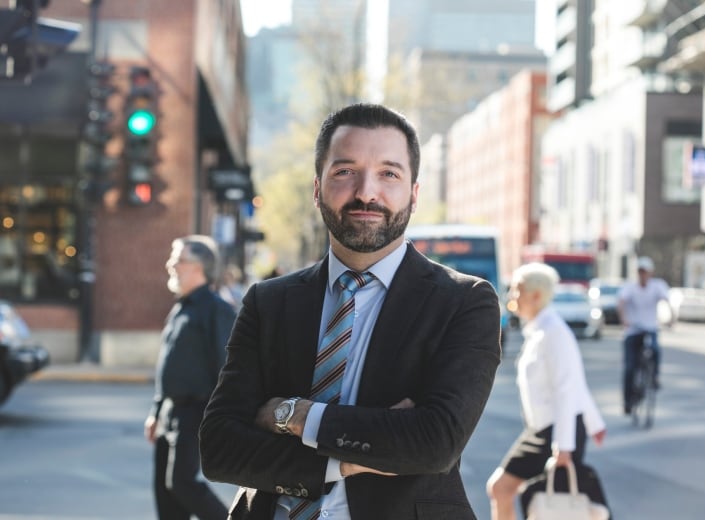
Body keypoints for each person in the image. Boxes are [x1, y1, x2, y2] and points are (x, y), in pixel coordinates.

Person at [199, 103, 502, 520]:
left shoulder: (465, 302)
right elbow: (219, 449)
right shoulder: (267, 301)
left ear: (414, 194)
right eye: (345, 171)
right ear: (317, 189)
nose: (366, 192)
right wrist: (344, 460)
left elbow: (435, 443)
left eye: (389, 174)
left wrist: (292, 415)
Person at [486, 263, 606, 520]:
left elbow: (568, 387)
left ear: (536, 295)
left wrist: (564, 447)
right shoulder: (540, 329)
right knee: (505, 491)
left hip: (555, 432)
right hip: (543, 430)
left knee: (503, 490)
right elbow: (574, 382)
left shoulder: (554, 332)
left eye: (518, 290)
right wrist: (595, 423)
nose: (512, 297)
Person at [144, 234, 236, 520]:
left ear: (199, 267)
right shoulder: (181, 306)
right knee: (164, 490)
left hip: (196, 411)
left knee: (181, 483)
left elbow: (226, 368)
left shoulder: (216, 310)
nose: (171, 265)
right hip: (170, 411)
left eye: (179, 259)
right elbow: (169, 364)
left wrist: (221, 419)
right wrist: (156, 411)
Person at [617, 255, 669, 414]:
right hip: (633, 330)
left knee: (656, 349)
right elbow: (621, 303)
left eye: (645, 272)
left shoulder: (657, 286)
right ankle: (627, 401)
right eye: (640, 272)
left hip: (650, 328)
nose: (642, 275)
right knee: (629, 367)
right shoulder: (630, 288)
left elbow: (667, 301)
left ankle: (654, 377)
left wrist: (671, 318)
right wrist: (624, 319)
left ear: (650, 273)